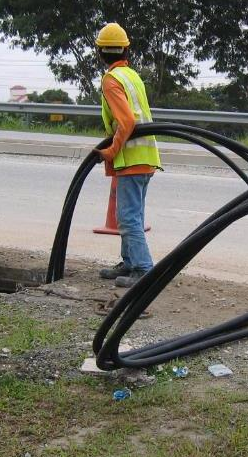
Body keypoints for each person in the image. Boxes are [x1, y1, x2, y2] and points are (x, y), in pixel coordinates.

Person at [93, 23, 161, 288]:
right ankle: (130, 262)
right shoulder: (131, 75)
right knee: (132, 215)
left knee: (128, 217)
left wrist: (110, 151)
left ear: (100, 53)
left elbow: (127, 122)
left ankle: (143, 270)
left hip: (131, 159)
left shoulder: (112, 80)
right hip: (145, 157)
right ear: (125, 49)